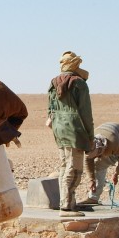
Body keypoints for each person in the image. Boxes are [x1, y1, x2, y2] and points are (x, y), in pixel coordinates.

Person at [47, 51, 94, 217]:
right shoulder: (79, 83)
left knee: (64, 166)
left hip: (59, 129)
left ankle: (67, 202)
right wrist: (90, 136)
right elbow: (86, 113)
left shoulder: (53, 82)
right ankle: (66, 206)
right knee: (74, 168)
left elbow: (50, 109)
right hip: (75, 129)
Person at [80, 122, 119, 209]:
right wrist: (91, 179)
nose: (98, 157)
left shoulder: (113, 144)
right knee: (98, 165)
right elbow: (88, 161)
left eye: (98, 155)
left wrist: (117, 173)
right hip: (111, 138)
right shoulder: (89, 145)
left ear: (102, 150)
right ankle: (93, 197)